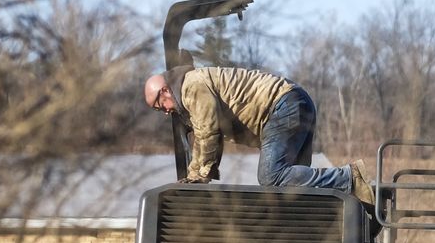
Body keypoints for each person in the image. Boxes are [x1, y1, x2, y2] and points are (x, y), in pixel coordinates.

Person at [143, 68, 370, 202]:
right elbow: (211, 136)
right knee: (296, 192)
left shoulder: (191, 86)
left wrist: (196, 178)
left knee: (271, 177)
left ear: (165, 90)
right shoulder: (189, 90)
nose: (163, 111)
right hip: (296, 103)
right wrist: (199, 175)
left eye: (159, 104)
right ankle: (356, 199)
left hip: (282, 106)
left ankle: (348, 178)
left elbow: (207, 133)